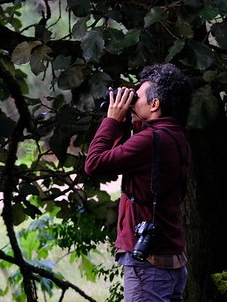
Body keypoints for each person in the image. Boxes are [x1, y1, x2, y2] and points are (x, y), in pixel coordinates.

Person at [84, 63, 192, 302]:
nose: (133, 101)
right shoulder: (176, 136)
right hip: (169, 260)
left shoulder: (149, 141)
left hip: (149, 266)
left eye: (138, 96)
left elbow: (94, 164)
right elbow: (130, 156)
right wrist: (128, 124)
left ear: (155, 105)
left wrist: (112, 121)